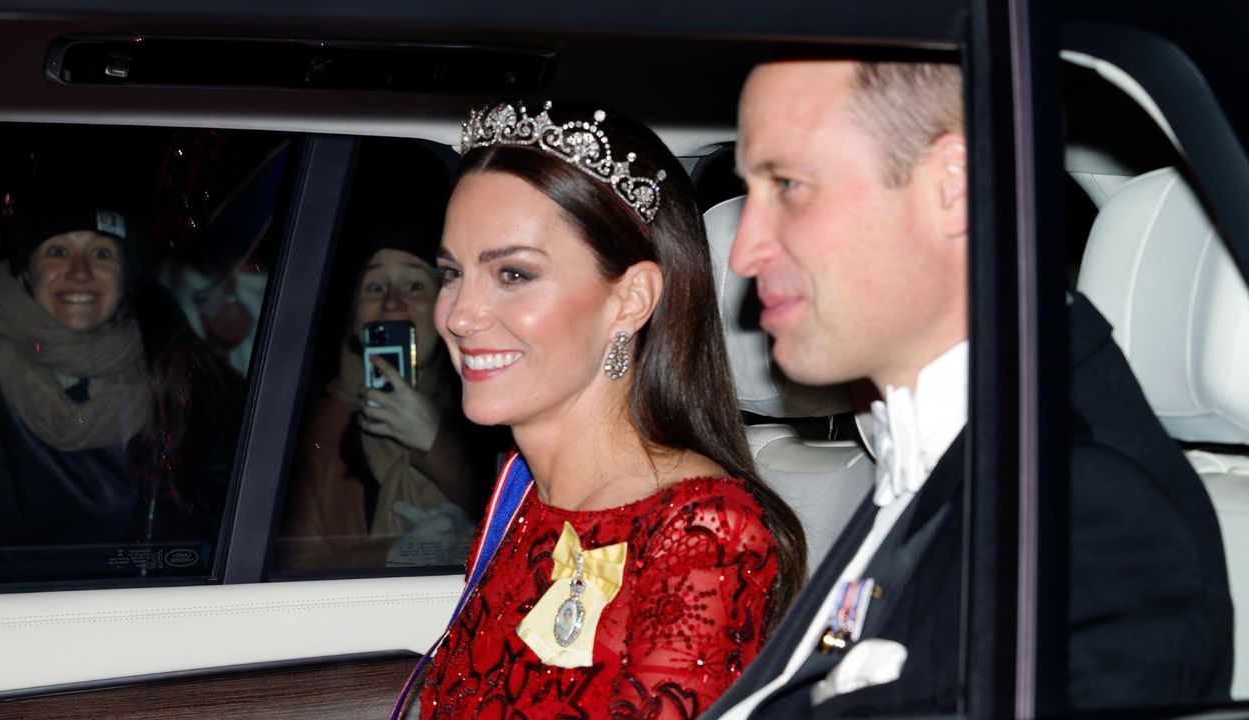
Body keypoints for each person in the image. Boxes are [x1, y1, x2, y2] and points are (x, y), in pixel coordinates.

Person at [701, 59, 1233, 718]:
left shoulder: (1092, 518)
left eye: (787, 184)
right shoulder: (942, 450)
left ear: (952, 185)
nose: (742, 251)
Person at [396, 100, 807, 720]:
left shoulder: (703, 534)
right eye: (453, 273)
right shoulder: (524, 500)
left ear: (631, 300)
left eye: (512, 273)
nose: (457, 315)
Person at [0, 190, 240, 567]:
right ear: (27, 271)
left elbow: (232, 483)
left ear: (125, 272)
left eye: (101, 253)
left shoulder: (170, 355)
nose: (80, 272)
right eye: (57, 252)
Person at [276, 231, 483, 571]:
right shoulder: (316, 427)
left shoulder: (491, 411)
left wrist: (436, 439)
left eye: (415, 286)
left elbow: (526, 520)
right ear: (354, 317)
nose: (391, 302)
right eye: (374, 287)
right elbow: (288, 571)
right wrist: (395, 555)